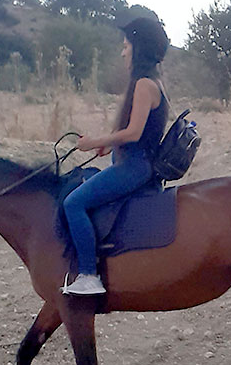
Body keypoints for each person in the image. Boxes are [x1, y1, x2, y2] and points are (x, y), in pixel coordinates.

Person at [61, 17, 170, 295]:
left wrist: (96, 141)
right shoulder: (151, 82)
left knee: (73, 203)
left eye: (126, 46)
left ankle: (89, 275)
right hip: (131, 161)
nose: (123, 52)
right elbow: (138, 130)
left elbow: (133, 133)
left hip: (134, 166)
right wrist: (109, 146)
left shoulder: (145, 85)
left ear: (139, 48)